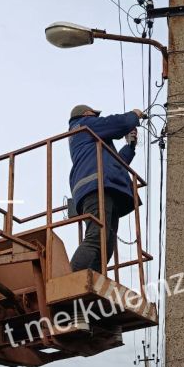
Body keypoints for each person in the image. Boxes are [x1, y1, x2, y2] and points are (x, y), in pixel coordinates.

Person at [68, 104, 144, 273]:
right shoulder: (84, 124)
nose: (96, 118)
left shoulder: (92, 140)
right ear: (87, 114)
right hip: (96, 187)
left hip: (105, 187)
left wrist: (130, 146)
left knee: (106, 245)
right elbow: (118, 123)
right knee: (96, 237)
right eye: (94, 115)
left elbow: (115, 164)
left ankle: (92, 284)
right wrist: (134, 115)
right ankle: (70, 280)